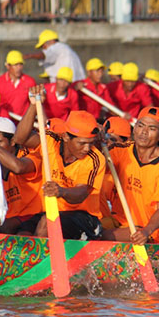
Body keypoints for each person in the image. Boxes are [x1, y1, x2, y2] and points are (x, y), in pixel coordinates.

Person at [13, 89, 106, 240]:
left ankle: (42, 262)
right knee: (22, 233)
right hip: (51, 210)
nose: (87, 149)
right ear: (66, 137)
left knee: (45, 225)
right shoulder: (50, 140)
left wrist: (61, 191)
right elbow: (20, 139)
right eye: (82, 143)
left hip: (85, 217)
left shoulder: (95, 158)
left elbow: (81, 194)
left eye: (90, 143)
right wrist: (33, 107)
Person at [102, 106, 159, 245]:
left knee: (102, 235)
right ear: (134, 128)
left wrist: (146, 231)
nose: (144, 132)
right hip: (117, 223)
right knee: (89, 228)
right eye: (140, 125)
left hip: (147, 233)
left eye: (152, 128)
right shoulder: (120, 150)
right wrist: (96, 143)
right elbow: (94, 167)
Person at [0, 117, 43, 234]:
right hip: (6, 220)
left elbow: (18, 167)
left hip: (34, 217)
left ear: (13, 142)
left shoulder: (31, 156)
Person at [0, 50, 37, 117]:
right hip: (5, 121)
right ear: (8, 66)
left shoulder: (30, 82)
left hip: (23, 121)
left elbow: (35, 104)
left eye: (21, 64)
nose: (19, 68)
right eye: (15, 65)